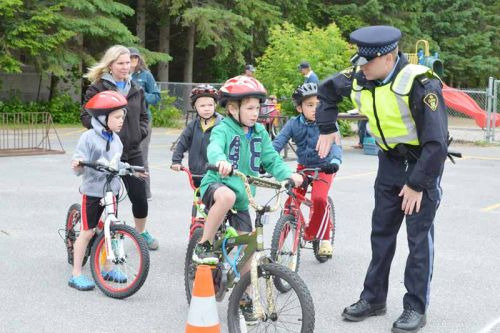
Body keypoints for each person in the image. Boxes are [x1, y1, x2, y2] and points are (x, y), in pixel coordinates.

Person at [315, 26, 448, 333]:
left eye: (367, 63)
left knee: (418, 242)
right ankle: (373, 299)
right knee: (381, 235)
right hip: (389, 163)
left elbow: (437, 143)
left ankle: (415, 307)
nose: (360, 68)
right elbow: (325, 91)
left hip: (421, 165)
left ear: (389, 58)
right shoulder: (361, 76)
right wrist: (326, 127)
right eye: (359, 63)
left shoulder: (420, 83)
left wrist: (416, 185)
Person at [81, 45, 159, 251]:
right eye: (121, 63)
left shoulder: (137, 88)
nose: (126, 67)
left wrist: (139, 134)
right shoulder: (98, 88)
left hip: (132, 151)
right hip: (106, 152)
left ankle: (141, 233)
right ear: (110, 65)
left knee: (140, 197)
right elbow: (86, 116)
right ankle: (101, 233)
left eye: (128, 63)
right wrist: (104, 133)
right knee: (108, 199)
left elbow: (144, 117)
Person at [272, 82, 342, 257]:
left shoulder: (329, 122)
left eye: (319, 105)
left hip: (325, 167)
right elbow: (278, 142)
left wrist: (334, 160)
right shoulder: (293, 124)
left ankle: (324, 238)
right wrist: (267, 159)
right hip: (303, 168)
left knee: (319, 199)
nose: (315, 109)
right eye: (310, 105)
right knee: (291, 202)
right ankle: (279, 244)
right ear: (299, 108)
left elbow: (336, 144)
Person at [70, 91, 129, 291]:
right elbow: (78, 165)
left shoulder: (116, 140)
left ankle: (107, 267)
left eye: (123, 117)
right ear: (103, 118)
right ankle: (76, 273)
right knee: (87, 232)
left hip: (112, 191)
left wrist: (130, 169)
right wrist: (78, 164)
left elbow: (117, 162)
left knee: (111, 230)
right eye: (118, 117)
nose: (122, 121)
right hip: (93, 191)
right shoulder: (88, 138)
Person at [170, 84, 223, 187]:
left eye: (210, 105)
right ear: (195, 107)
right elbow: (182, 143)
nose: (207, 109)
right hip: (196, 173)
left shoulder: (222, 125)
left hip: (215, 173)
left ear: (215, 105)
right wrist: (176, 161)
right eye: (202, 106)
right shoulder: (193, 126)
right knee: (198, 200)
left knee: (213, 200)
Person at [129, 47, 161, 201]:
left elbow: (156, 97)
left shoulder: (145, 76)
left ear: (139, 59)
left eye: (135, 58)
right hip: (122, 120)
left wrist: (140, 92)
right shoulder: (119, 76)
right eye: (130, 58)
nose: (132, 61)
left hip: (142, 120)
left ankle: (145, 192)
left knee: (141, 156)